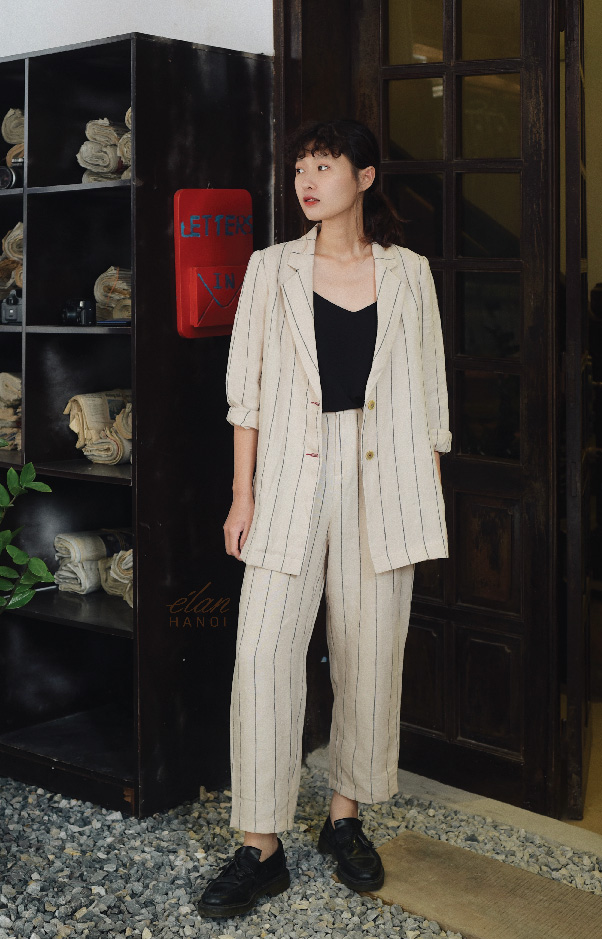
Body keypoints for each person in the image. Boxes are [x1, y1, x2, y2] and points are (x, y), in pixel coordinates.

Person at [197, 117, 451, 919]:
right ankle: (260, 844)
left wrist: (421, 494)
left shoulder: (408, 273)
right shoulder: (270, 268)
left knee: (369, 652)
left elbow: (431, 394)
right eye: (301, 167)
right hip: (287, 476)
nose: (307, 181)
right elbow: (246, 391)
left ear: (364, 178)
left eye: (325, 166)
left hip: (385, 477)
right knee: (262, 652)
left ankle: (345, 816)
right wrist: (242, 493)